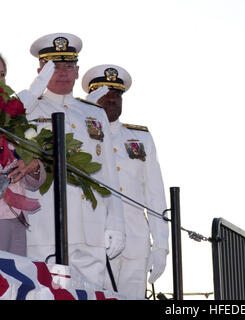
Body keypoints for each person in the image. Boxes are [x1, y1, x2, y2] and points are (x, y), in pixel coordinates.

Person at [17, 34, 126, 290]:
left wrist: (117, 224)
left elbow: (109, 175)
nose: (63, 73)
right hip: (43, 230)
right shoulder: (28, 109)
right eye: (54, 67)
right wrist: (34, 89)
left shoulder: (94, 113)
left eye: (68, 67)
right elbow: (6, 119)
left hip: (90, 230)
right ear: (40, 71)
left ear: (77, 71)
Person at [82, 64, 169, 299]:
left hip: (135, 242)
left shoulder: (140, 138)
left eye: (117, 95)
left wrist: (161, 245)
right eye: (105, 94)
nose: (112, 100)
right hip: (93, 240)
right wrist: (84, 112)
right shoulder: (79, 132)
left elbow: (155, 194)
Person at [0, 53, 47, 257]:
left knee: (14, 285)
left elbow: (35, 181)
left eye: (2, 74)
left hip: (14, 217)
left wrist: (34, 165)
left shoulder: (17, 120)